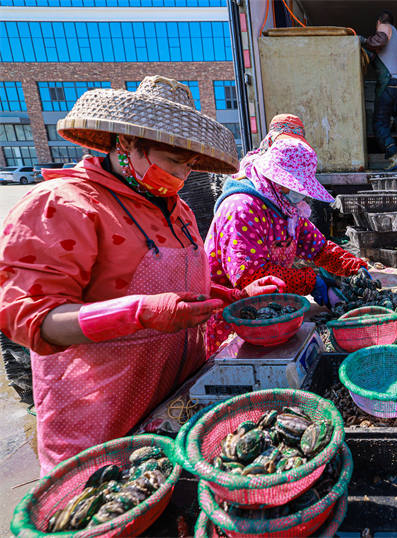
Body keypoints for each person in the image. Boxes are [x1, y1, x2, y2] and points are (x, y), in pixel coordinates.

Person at [0, 77, 283, 474]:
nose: (183, 174)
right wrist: (139, 314)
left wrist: (234, 297)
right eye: (173, 159)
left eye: (189, 163)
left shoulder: (178, 210)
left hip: (176, 404)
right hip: (100, 423)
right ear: (127, 143)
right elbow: (26, 319)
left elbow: (180, 287)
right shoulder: (65, 205)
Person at [205, 135, 368, 354]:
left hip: (271, 314)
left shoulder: (285, 207)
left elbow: (317, 246)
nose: (300, 192)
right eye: (295, 184)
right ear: (276, 180)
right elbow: (251, 277)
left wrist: (354, 268)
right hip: (232, 322)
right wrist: (310, 281)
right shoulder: (241, 208)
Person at [361, 10, 397, 171]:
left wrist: (361, 40)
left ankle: (393, 157)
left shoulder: (384, 28)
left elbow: (378, 41)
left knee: (380, 123)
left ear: (379, 22)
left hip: (391, 83)